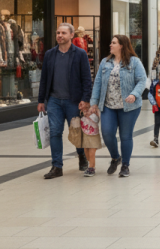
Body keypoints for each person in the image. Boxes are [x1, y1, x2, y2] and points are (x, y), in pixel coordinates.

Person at [37, 23, 92, 179]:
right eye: (58, 33)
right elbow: (44, 79)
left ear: (71, 35)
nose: (59, 35)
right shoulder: (49, 54)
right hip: (54, 100)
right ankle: (56, 166)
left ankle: (81, 154)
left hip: (73, 101)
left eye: (63, 33)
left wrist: (85, 99)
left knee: (75, 132)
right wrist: (41, 100)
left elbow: (87, 79)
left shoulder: (80, 54)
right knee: (55, 132)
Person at [89, 35, 147, 178]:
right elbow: (97, 83)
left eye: (113, 42)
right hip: (108, 105)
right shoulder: (105, 62)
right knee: (107, 133)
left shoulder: (134, 62)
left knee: (125, 135)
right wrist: (93, 103)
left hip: (129, 106)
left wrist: (134, 94)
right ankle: (116, 157)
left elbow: (142, 80)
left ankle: (125, 166)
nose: (110, 45)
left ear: (121, 45)